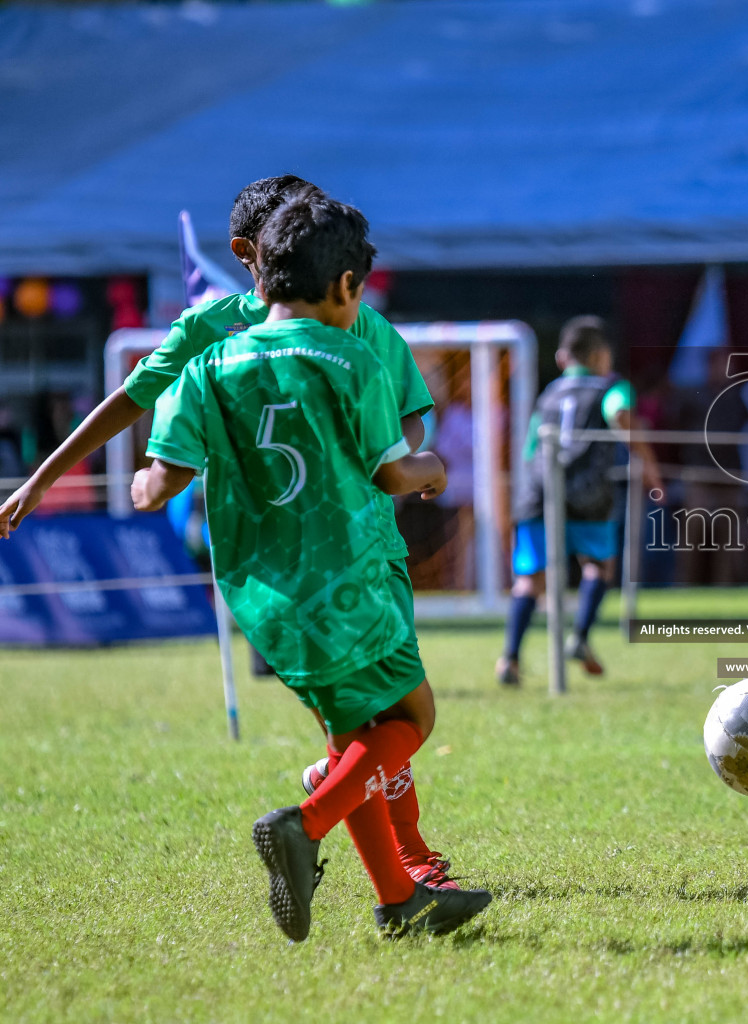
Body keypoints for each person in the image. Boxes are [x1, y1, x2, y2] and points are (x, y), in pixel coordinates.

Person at [0, 175, 457, 889]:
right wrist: (43, 477)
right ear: (254, 250)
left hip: (351, 551)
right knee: (390, 720)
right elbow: (131, 400)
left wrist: (390, 454)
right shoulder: (216, 331)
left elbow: (405, 414)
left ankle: (391, 867)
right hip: (318, 557)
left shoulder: (359, 324)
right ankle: (399, 861)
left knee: (362, 726)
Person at [130, 195, 491, 939]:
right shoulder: (352, 356)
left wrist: (145, 485)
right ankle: (309, 819)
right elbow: (393, 473)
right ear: (348, 288)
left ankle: (400, 898)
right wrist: (435, 471)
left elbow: (162, 473)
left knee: (351, 731)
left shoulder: (209, 365)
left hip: (264, 593)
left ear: (258, 280)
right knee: (411, 717)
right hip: (349, 578)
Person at [497, 316, 663, 687]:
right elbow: (619, 413)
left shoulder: (549, 393)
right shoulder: (611, 386)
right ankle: (581, 637)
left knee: (529, 581)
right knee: (598, 566)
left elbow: (529, 448)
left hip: (539, 493)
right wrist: (649, 466)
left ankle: (509, 657)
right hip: (589, 493)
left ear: (561, 358)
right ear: (602, 355)